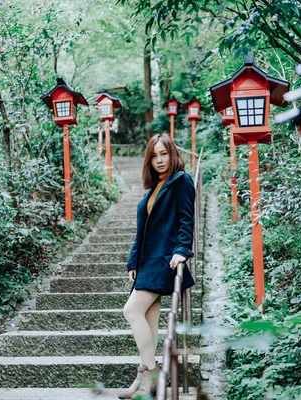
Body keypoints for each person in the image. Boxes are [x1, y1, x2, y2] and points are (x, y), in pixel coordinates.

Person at [119, 133, 196, 399]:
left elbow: (186, 222)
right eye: (154, 155)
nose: (160, 160)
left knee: (131, 311)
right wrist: (133, 261)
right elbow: (142, 232)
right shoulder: (154, 188)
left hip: (164, 260)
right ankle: (144, 375)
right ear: (149, 160)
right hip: (146, 262)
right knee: (149, 323)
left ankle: (151, 374)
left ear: (172, 154)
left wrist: (181, 251)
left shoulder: (181, 182)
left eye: (164, 154)